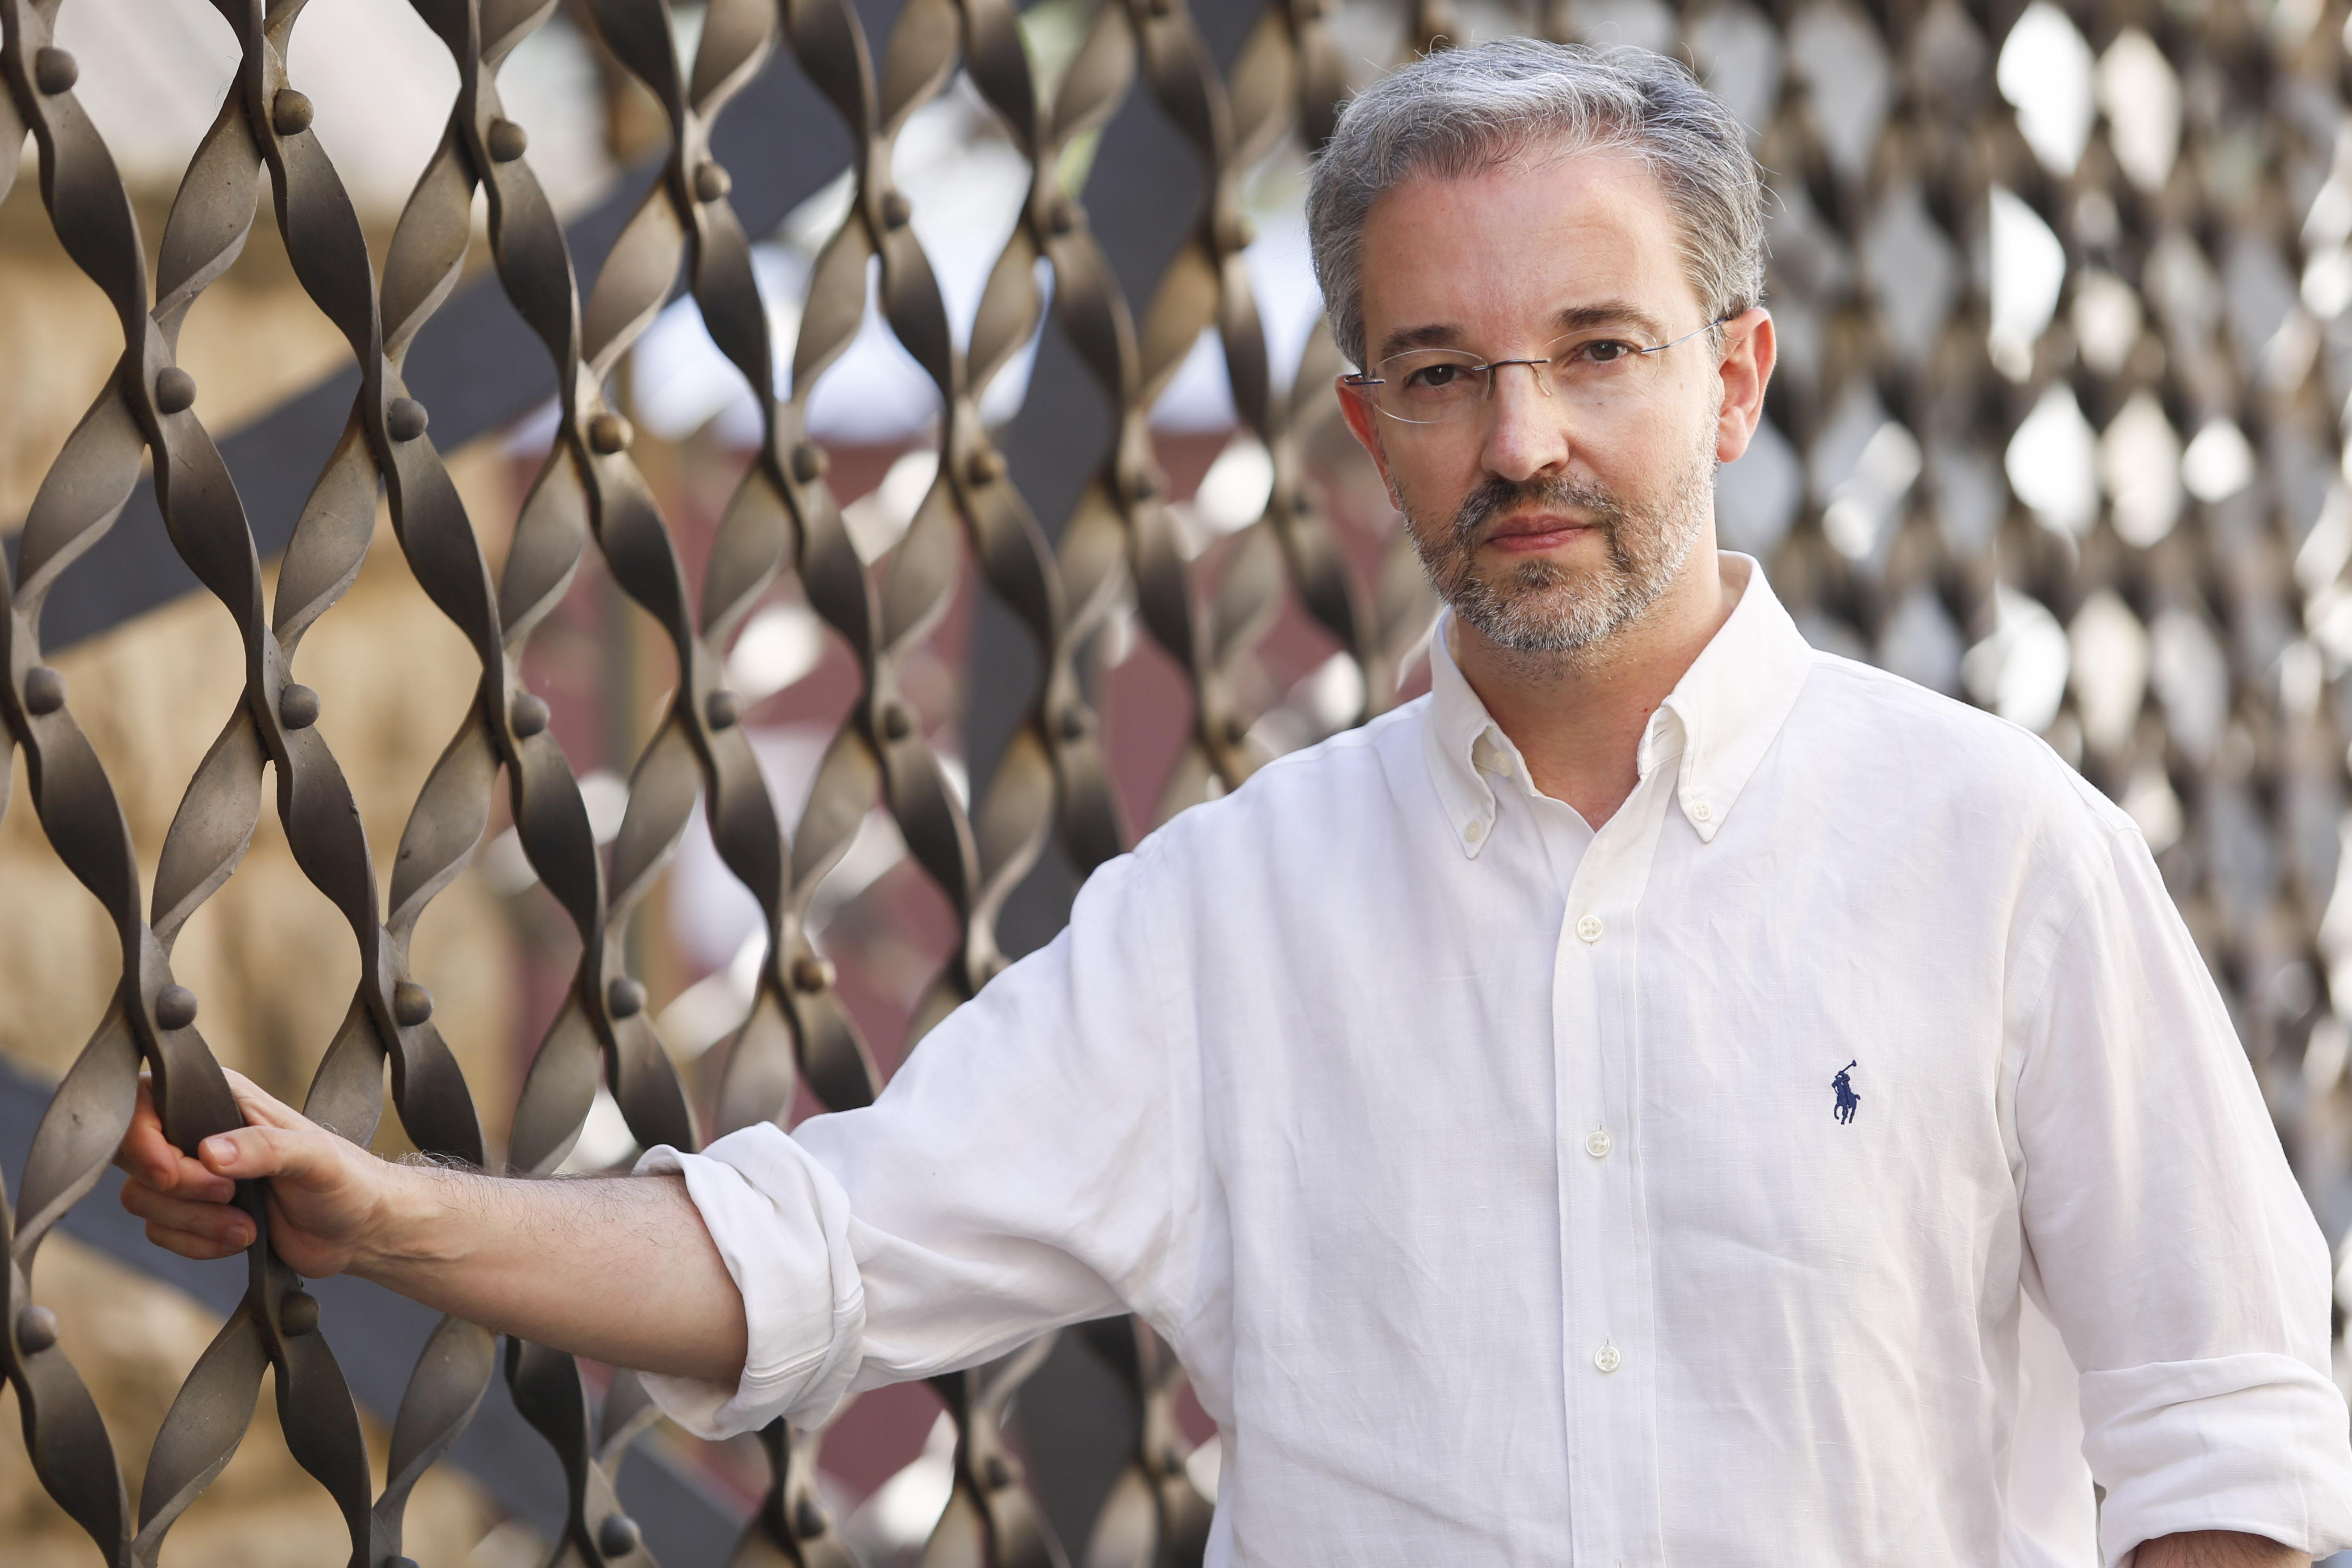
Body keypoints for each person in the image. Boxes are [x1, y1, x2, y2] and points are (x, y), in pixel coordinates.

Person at [115, 39, 2352, 1566]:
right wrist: (392, 1213)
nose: (1525, 438)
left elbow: (2223, 1423)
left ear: (1732, 378)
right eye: (1448, 373)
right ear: (1366, 426)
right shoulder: (1231, 913)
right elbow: (818, 1251)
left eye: (1596, 350)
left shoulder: (1993, 846)